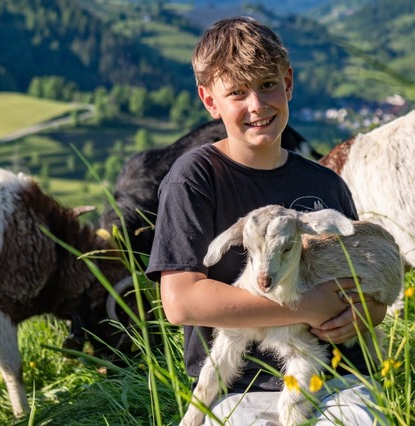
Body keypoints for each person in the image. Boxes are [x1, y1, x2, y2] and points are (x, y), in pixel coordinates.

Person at [146, 16, 389, 425]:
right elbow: (181, 301)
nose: (257, 105)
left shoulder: (325, 184)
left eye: (268, 84)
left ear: (288, 83)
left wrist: (368, 313)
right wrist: (309, 306)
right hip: (245, 385)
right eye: (237, 93)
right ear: (210, 101)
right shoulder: (195, 179)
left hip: (341, 379)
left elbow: (365, 281)